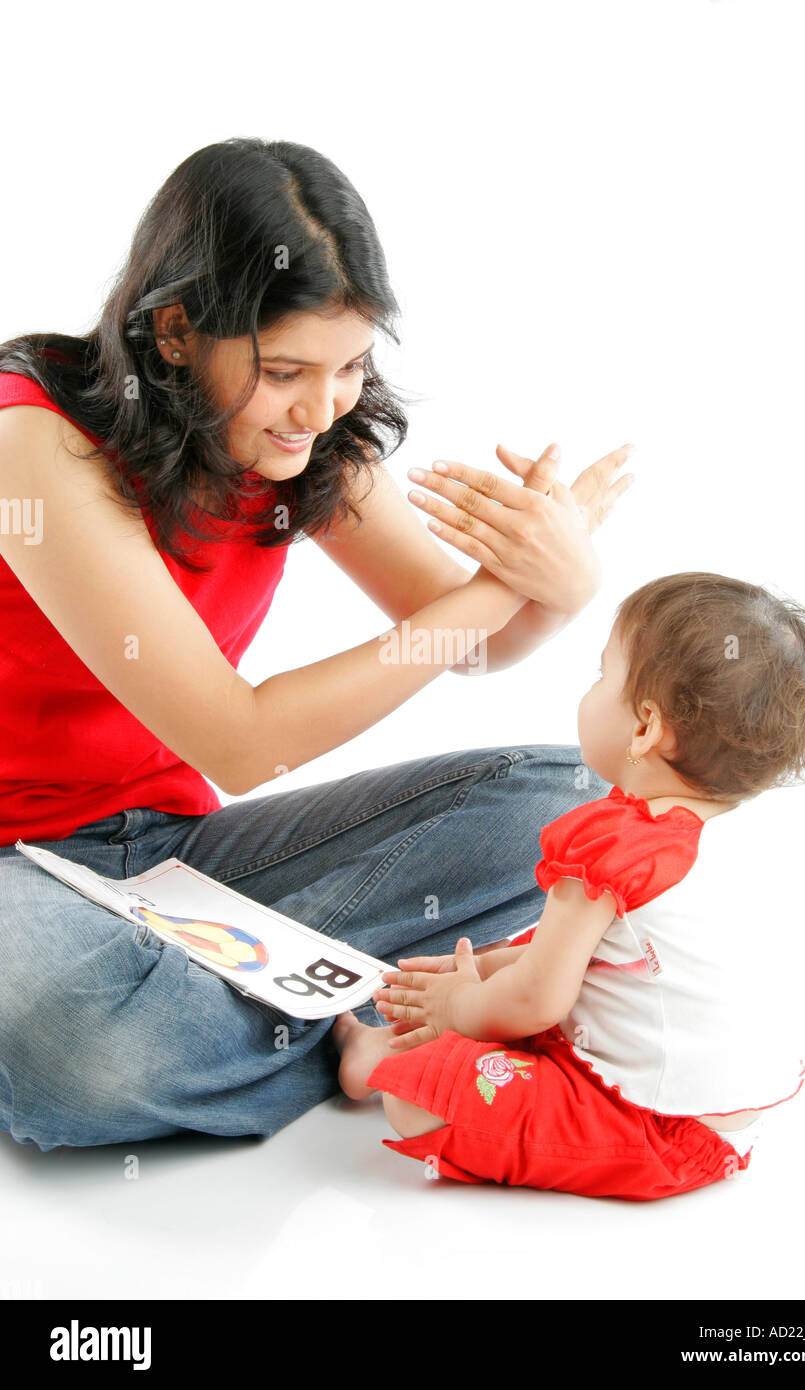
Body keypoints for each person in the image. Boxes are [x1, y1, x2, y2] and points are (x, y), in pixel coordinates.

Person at [0, 137, 632, 1151]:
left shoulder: (298, 442)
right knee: (85, 1061)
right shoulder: (36, 441)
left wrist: (555, 588)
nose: (321, 405)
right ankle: (405, 1012)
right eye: (285, 369)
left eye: (349, 366)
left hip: (174, 858)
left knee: (582, 805)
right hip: (15, 858)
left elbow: (464, 644)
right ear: (174, 332)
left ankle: (281, 1015)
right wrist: (499, 592)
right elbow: (239, 743)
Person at [335, 572, 805, 1201]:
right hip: (727, 1118)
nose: (591, 690)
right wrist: (489, 970)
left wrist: (460, 1008)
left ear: (645, 729)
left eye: (603, 676)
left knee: (421, 1095)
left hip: (647, 1127)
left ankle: (380, 1063)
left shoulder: (610, 846)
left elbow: (537, 1003)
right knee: (496, 983)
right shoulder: (723, 839)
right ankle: (419, 1032)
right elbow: (595, 961)